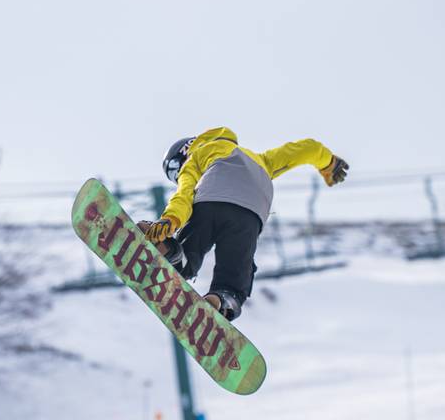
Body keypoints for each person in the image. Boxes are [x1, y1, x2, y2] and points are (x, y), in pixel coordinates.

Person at [140, 127, 348, 321]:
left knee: (190, 248)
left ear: (184, 153)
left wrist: (170, 220)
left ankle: (171, 254)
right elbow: (305, 148)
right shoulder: (258, 159)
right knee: (235, 268)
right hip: (251, 211)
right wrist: (329, 162)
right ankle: (222, 298)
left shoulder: (195, 158)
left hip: (211, 198)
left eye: (174, 172)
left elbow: (183, 195)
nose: (177, 177)